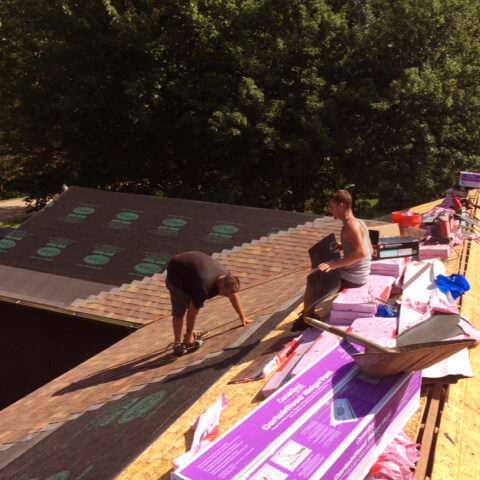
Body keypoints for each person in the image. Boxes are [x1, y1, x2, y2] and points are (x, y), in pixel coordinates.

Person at [296, 189, 372, 328]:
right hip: (359, 274)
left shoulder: (350, 225)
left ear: (341, 205)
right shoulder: (358, 222)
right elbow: (369, 249)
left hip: (354, 278)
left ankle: (306, 319)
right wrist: (345, 246)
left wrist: (334, 265)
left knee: (313, 279)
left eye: (332, 207)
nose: (331, 211)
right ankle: (308, 314)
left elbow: (362, 253)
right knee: (320, 270)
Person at [166, 250, 251, 356]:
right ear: (221, 284)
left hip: (192, 268)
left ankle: (189, 333)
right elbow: (193, 310)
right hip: (177, 274)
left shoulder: (227, 276)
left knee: (194, 300)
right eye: (226, 293)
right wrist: (189, 334)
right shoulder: (204, 286)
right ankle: (177, 343)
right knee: (179, 310)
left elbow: (233, 294)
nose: (227, 296)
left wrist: (242, 317)